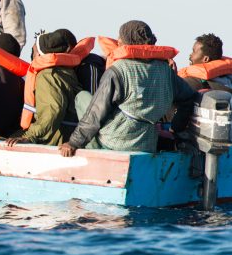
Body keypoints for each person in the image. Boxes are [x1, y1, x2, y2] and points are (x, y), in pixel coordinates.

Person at [59, 20, 197, 156]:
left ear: (126, 41)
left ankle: (94, 148)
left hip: (114, 142)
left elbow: (96, 112)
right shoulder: (165, 71)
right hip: (147, 143)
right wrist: (176, 127)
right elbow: (189, 97)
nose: (118, 41)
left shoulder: (119, 69)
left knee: (82, 96)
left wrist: (74, 142)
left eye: (120, 38)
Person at [5, 29, 91, 147]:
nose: (32, 55)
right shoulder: (65, 71)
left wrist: (29, 137)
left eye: (34, 50)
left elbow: (53, 110)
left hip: (55, 140)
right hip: (66, 134)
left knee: (0, 140)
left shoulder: (48, 75)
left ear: (40, 54)